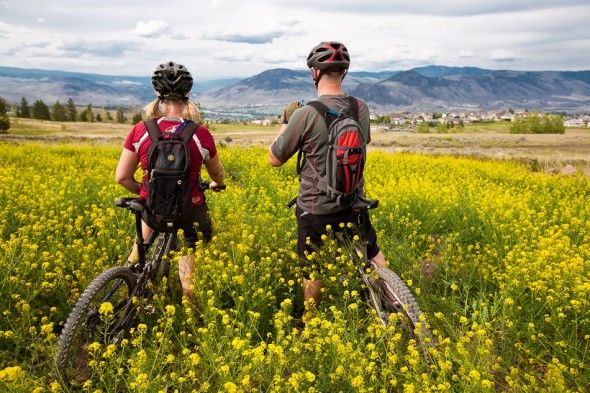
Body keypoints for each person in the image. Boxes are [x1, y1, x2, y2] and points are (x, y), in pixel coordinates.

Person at [268, 41, 388, 322]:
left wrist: (286, 121)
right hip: (354, 201)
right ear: (344, 73)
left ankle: (310, 322)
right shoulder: (361, 107)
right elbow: (363, 141)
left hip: (316, 207)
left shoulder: (305, 113)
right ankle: (392, 295)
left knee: (312, 269)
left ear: (314, 73)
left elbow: (275, 158)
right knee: (371, 251)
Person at [116, 61, 225, 300]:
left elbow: (122, 177)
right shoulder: (201, 134)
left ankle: (127, 279)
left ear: (158, 95)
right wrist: (217, 183)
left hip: (152, 209)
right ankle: (191, 330)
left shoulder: (140, 131)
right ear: (187, 95)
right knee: (189, 279)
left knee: (136, 254)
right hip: (189, 211)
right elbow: (217, 175)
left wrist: (148, 191)